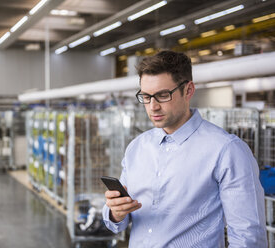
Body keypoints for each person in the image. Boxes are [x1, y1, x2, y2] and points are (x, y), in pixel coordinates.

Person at [102, 50, 267, 247]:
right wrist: (115, 213)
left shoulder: (226, 150)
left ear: (188, 90)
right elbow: (117, 223)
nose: (152, 106)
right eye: (146, 96)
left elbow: (248, 237)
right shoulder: (137, 148)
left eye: (162, 95)